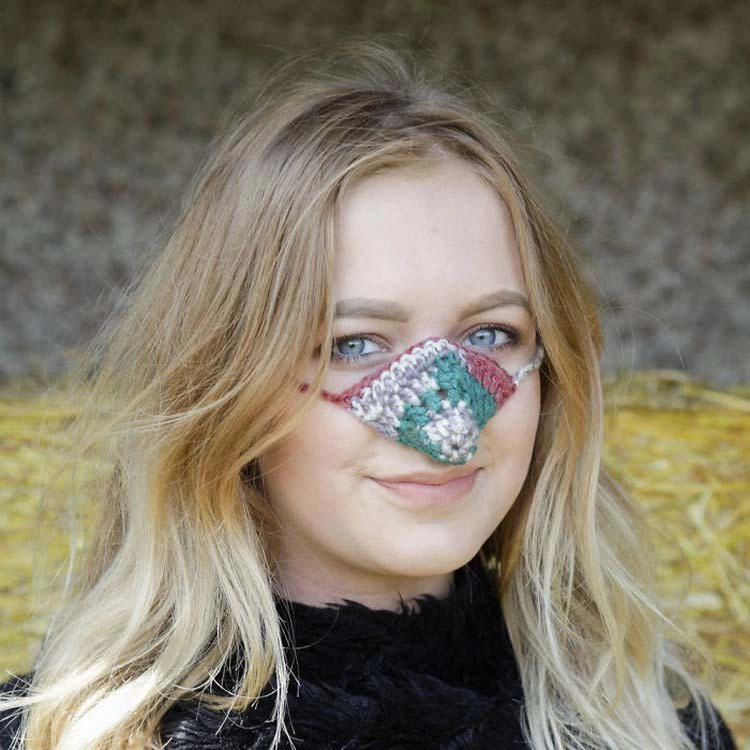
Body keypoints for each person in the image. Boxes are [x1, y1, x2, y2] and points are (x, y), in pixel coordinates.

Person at [0, 40, 738, 750]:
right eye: (355, 344)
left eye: (490, 334)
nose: (450, 423)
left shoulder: (662, 732)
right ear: (229, 379)